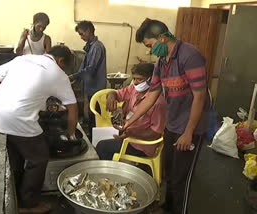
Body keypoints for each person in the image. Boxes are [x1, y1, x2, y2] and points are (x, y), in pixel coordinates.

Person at [124, 18, 210, 214]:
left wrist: (189, 132)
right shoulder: (162, 62)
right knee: (169, 173)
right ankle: (168, 208)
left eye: (150, 45)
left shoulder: (190, 55)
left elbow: (200, 96)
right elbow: (151, 96)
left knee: (181, 179)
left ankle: (180, 210)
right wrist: (129, 122)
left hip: (191, 126)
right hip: (173, 123)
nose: (150, 51)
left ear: (162, 38)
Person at [0, 45, 78, 214]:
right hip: (19, 118)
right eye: (64, 66)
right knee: (39, 157)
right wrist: (70, 134)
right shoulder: (59, 73)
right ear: (61, 61)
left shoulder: (23, 59)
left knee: (14, 155)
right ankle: (28, 205)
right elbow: (72, 108)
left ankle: (13, 197)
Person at [96, 63, 166, 162]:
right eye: (134, 79)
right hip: (128, 132)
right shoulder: (133, 89)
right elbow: (116, 93)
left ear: (151, 79)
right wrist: (111, 97)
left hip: (141, 144)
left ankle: (110, 173)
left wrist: (133, 134)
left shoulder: (158, 103)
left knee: (102, 147)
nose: (136, 83)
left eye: (140, 79)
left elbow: (155, 133)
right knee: (98, 137)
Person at [70, 20, 106, 139]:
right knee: (91, 116)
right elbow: (84, 66)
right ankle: (92, 137)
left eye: (82, 34)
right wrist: (76, 78)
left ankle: (97, 141)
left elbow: (91, 68)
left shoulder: (97, 47)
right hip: (91, 87)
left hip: (96, 88)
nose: (81, 37)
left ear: (89, 31)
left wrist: (75, 76)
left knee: (95, 116)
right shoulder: (90, 47)